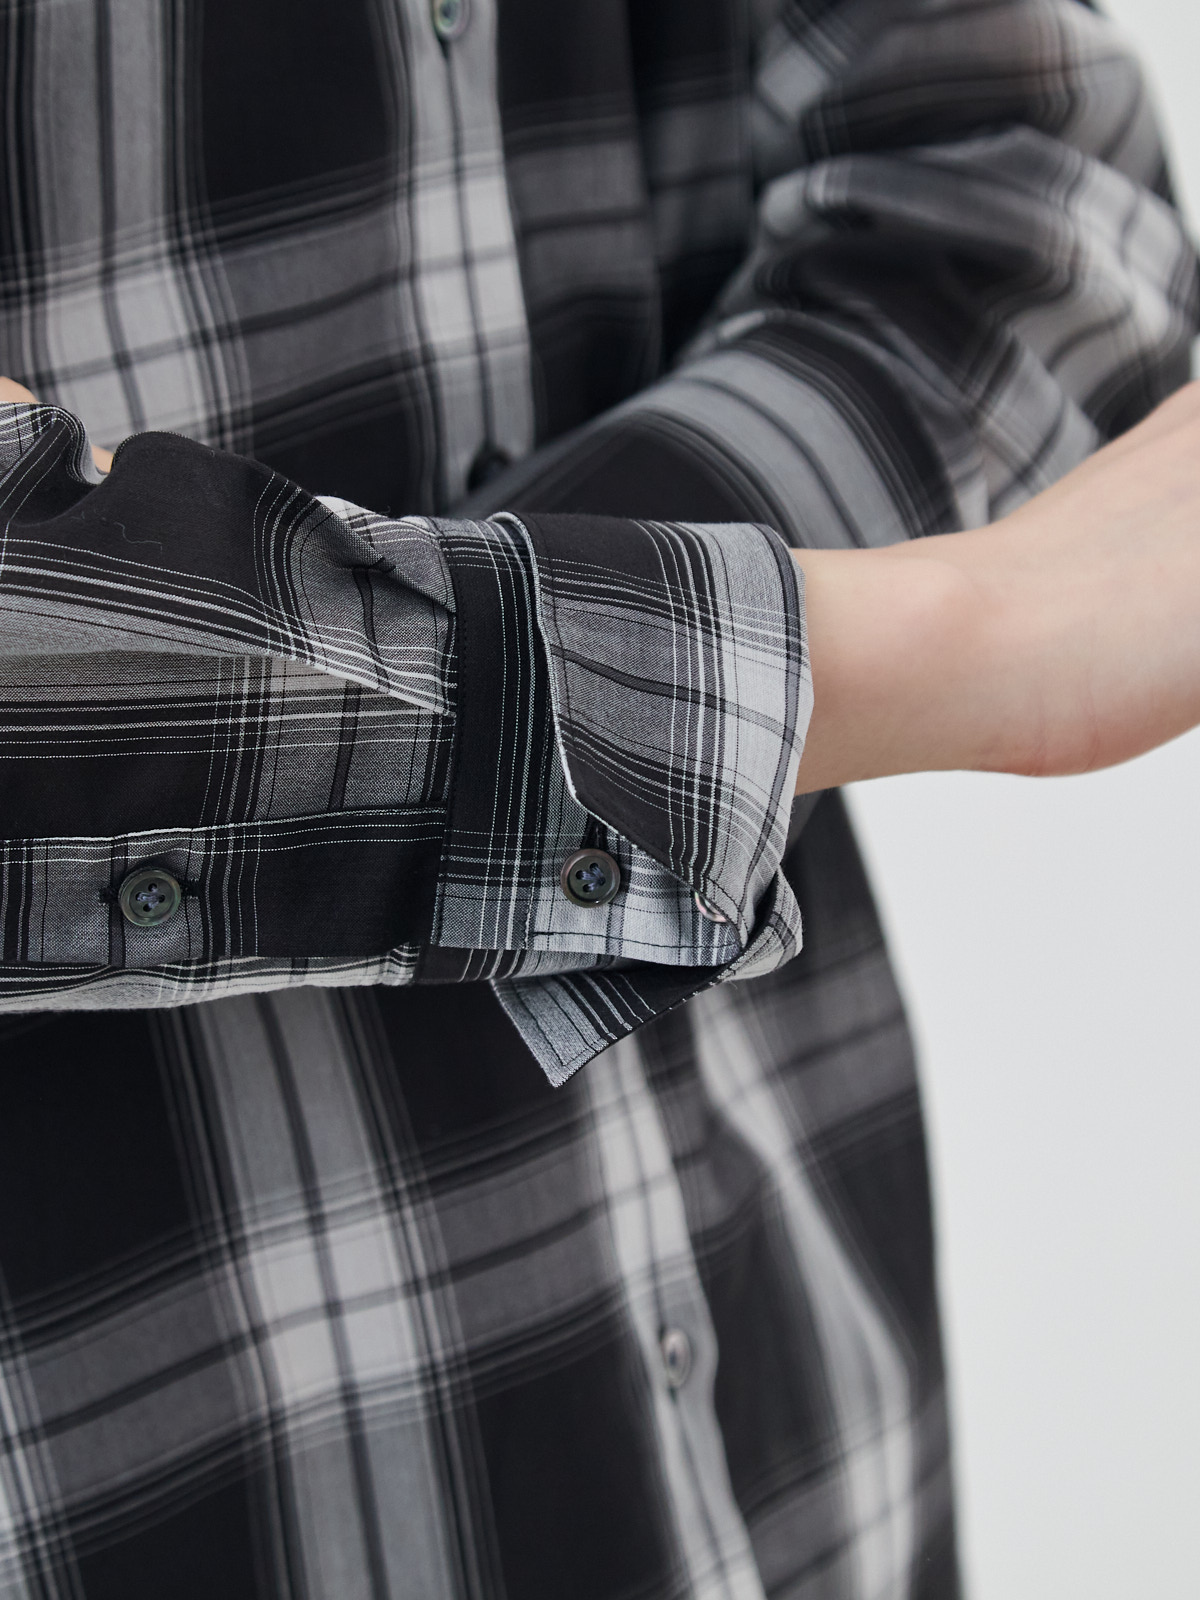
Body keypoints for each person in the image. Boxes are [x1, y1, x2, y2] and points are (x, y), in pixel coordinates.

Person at [0, 1, 1196, 1596]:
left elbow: (1024, 175)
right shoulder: (935, 639)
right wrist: (893, 646)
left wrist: (549, 678)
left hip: (794, 1435)